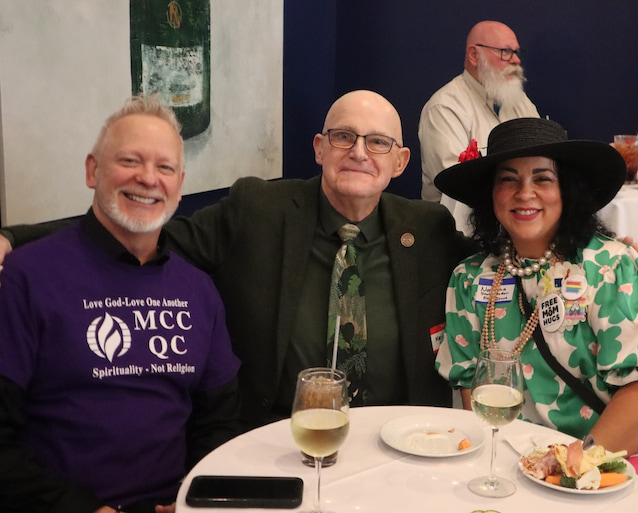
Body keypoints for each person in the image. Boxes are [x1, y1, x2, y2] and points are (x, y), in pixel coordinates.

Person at [0, 90, 474, 428]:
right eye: (343, 136)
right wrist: (12, 238)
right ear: (319, 148)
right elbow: (144, 232)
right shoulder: (258, 211)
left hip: (401, 441)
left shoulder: (427, 229)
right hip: (276, 439)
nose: (358, 152)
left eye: (378, 142)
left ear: (400, 162)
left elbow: (498, 260)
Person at [434, 117, 638, 512]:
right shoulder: (470, 280)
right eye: (508, 179)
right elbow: (471, 387)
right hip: (535, 465)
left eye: (543, 179)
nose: (524, 193)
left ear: (567, 189)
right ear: (490, 193)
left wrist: (571, 469)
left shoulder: (612, 267)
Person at [0, 97, 242, 513]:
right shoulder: (26, 277)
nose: (148, 178)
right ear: (93, 171)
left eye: (164, 168)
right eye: (130, 160)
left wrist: (195, 499)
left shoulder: (198, 291)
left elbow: (218, 425)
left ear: (180, 185)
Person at [418, 19, 539, 228]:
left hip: (517, 223)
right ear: (474, 55)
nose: (516, 61)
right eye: (505, 52)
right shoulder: (444, 107)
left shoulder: (520, 103)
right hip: (455, 234)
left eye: (517, 52)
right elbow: (456, 184)